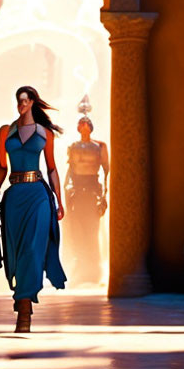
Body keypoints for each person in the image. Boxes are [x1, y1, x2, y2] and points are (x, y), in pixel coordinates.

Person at [0, 86, 67, 332]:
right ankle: (23, 299)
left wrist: (59, 199)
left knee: (33, 248)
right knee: (16, 249)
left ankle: (24, 309)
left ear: (32, 102)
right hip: (13, 196)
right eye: (18, 102)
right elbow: (2, 165)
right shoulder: (6, 131)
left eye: (24, 101)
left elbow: (52, 168)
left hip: (38, 195)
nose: (20, 106)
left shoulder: (45, 134)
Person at [63, 112, 109, 285]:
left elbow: (106, 172)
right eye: (81, 124)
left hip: (92, 192)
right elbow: (70, 172)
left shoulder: (99, 147)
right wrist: (67, 193)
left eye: (86, 124)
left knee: (92, 230)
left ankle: (94, 270)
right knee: (77, 232)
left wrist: (103, 196)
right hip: (77, 193)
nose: (84, 128)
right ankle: (81, 268)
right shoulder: (73, 147)